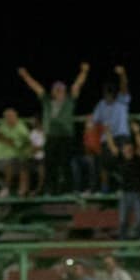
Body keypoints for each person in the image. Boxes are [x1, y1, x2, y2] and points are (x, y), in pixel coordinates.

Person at [18, 62, 91, 195]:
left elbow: (77, 85)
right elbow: (36, 87)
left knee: (65, 164)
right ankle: (51, 190)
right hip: (51, 137)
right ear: (52, 92)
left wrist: (84, 72)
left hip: (66, 136)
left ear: (64, 91)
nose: (58, 91)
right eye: (56, 89)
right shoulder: (47, 101)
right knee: (50, 164)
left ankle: (68, 190)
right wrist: (25, 75)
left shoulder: (69, 101)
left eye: (61, 89)